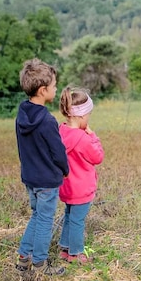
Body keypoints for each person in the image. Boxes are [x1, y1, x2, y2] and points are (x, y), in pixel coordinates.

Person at [15, 58, 68, 280]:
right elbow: (58, 151)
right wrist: (64, 170)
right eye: (54, 86)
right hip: (46, 180)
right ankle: (39, 263)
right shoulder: (47, 120)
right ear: (43, 90)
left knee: (37, 215)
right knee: (45, 220)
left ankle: (23, 257)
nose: (56, 89)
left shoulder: (22, 113)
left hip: (30, 178)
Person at [58, 86, 104, 265]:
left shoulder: (61, 132)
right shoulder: (83, 138)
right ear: (80, 116)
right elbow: (98, 157)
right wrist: (93, 136)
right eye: (88, 116)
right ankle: (75, 253)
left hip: (67, 186)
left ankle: (64, 248)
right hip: (81, 188)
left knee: (69, 215)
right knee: (77, 220)